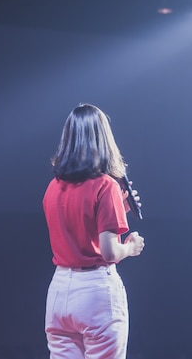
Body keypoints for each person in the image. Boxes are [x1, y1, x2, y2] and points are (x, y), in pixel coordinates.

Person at [43, 103, 145, 359]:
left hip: (59, 291)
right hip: (95, 292)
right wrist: (131, 247)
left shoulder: (53, 187)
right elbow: (109, 252)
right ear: (103, 138)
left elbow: (77, 227)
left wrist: (118, 208)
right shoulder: (106, 185)